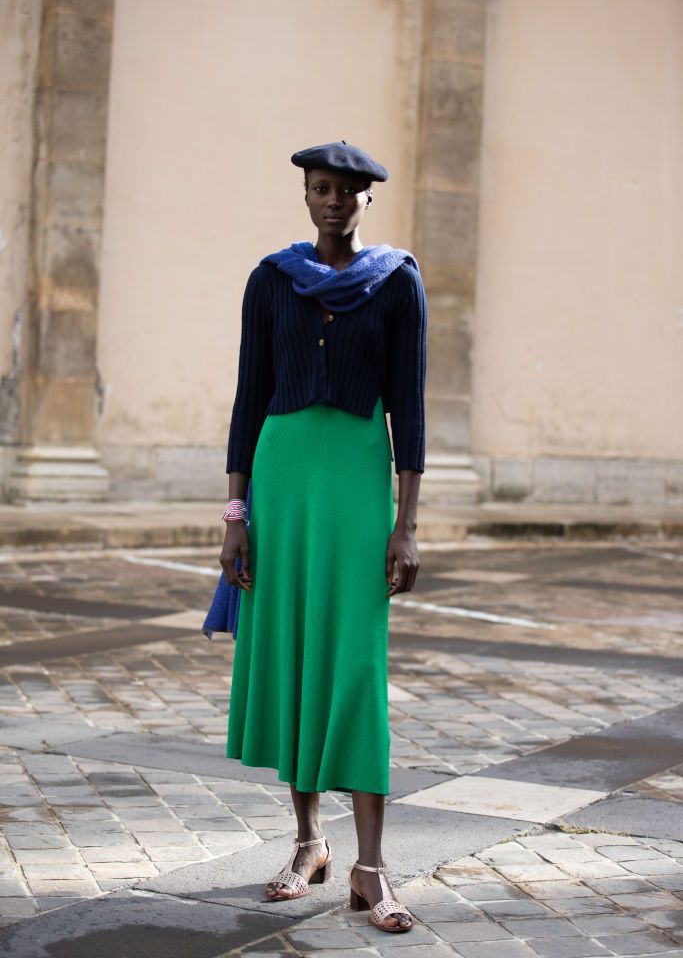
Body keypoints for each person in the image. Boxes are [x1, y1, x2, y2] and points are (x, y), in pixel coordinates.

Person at [219, 140, 427, 934]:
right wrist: (235, 516)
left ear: (367, 199)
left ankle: (371, 867)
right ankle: (309, 843)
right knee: (294, 660)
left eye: (346, 190)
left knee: (352, 665)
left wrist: (404, 526)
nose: (333, 201)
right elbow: (247, 399)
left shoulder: (397, 283)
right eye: (319, 189)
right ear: (306, 197)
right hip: (280, 480)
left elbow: (406, 406)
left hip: (352, 482)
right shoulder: (270, 280)